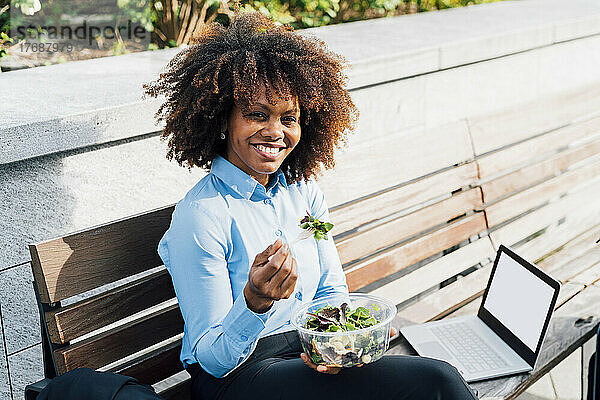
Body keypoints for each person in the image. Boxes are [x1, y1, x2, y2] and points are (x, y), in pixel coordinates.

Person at [143, 10, 479, 400]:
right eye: (256, 115)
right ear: (222, 120)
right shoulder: (202, 215)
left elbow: (330, 290)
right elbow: (213, 360)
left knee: (436, 379)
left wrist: (338, 340)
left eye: (290, 118)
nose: (275, 132)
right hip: (238, 377)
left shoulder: (304, 193)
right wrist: (254, 303)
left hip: (307, 353)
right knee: (436, 384)